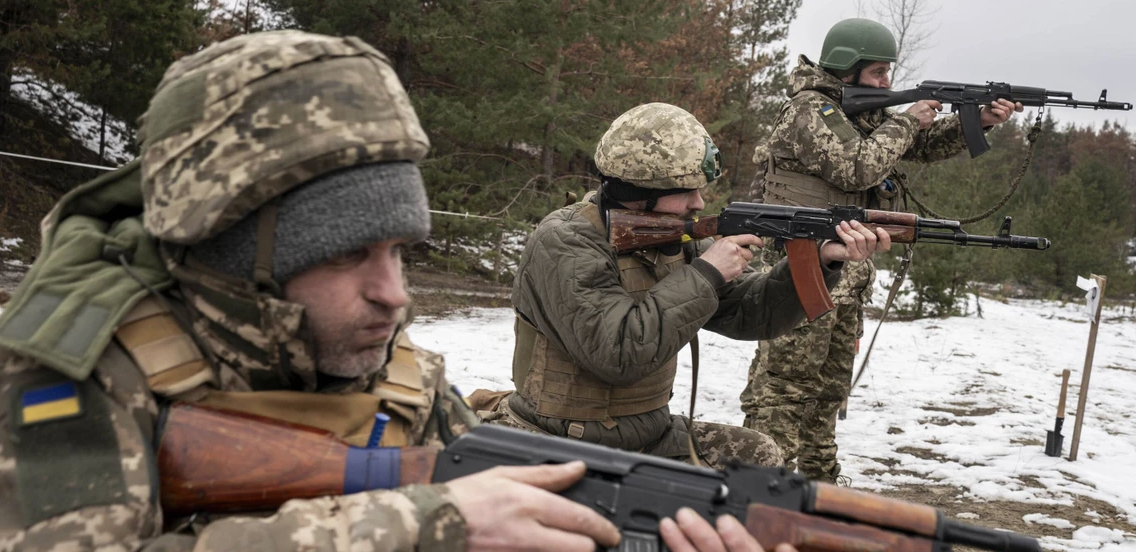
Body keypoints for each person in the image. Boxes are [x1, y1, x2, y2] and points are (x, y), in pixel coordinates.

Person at [0, 31, 771, 552]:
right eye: (347, 256)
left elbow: (515, 502)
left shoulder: (403, 378)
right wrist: (421, 525)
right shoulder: (67, 375)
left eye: (403, 252)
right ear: (234, 249)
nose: (394, 296)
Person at [480, 102, 891, 469]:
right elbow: (617, 352)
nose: (698, 202)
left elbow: (752, 313)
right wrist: (707, 274)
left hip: (650, 436)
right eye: (686, 191)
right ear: (640, 194)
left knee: (759, 459)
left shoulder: (674, 236)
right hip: (561, 438)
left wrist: (819, 261)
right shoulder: (566, 241)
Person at [738, 18, 1022, 484]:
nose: (887, 83)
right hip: (798, 270)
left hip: (846, 275)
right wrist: (911, 116)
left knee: (829, 390)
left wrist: (979, 120)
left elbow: (919, 146)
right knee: (785, 388)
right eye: (878, 74)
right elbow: (857, 166)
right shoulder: (810, 110)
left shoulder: (858, 114)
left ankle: (818, 483)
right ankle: (759, 487)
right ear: (846, 70)